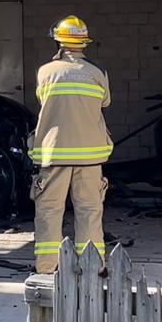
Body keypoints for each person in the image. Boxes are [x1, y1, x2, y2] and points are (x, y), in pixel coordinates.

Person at [29, 15, 112, 273]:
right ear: (84, 43)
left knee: (49, 211)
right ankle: (93, 267)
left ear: (59, 43)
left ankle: (47, 267)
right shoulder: (98, 72)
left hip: (54, 155)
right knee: (89, 210)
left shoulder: (45, 72)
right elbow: (105, 103)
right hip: (90, 157)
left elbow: (43, 99)